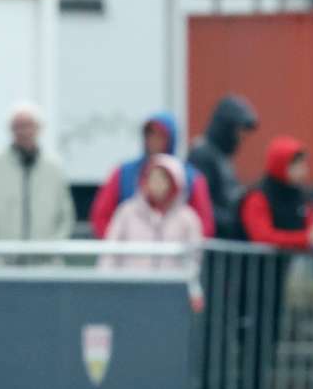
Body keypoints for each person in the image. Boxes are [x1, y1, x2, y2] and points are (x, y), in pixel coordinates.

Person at [233, 136, 313, 389]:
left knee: (267, 351)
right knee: (251, 352)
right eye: (296, 163)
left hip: (276, 286)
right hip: (246, 286)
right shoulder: (258, 196)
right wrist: (305, 241)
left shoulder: (302, 197)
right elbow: (262, 236)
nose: (303, 169)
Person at [99, 154, 205, 311]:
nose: (157, 184)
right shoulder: (127, 212)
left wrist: (191, 289)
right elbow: (110, 252)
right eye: (152, 178)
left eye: (163, 179)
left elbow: (194, 259)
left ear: (175, 183)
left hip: (171, 296)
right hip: (129, 293)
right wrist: (105, 286)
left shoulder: (187, 219)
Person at [90, 112, 215, 239]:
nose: (153, 141)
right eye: (150, 134)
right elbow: (102, 218)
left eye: (160, 136)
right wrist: (125, 249)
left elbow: (203, 227)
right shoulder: (124, 174)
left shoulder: (192, 179)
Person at [0, 102, 75, 242]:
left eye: (29, 126)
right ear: (10, 129)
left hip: (44, 261)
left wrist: (52, 248)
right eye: (18, 126)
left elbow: (66, 218)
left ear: (39, 129)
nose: (24, 132)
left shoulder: (54, 168)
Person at [189, 95, 258, 239]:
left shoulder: (221, 156)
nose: (241, 138)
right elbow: (202, 203)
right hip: (214, 244)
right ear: (227, 127)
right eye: (239, 131)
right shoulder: (202, 155)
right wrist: (236, 223)